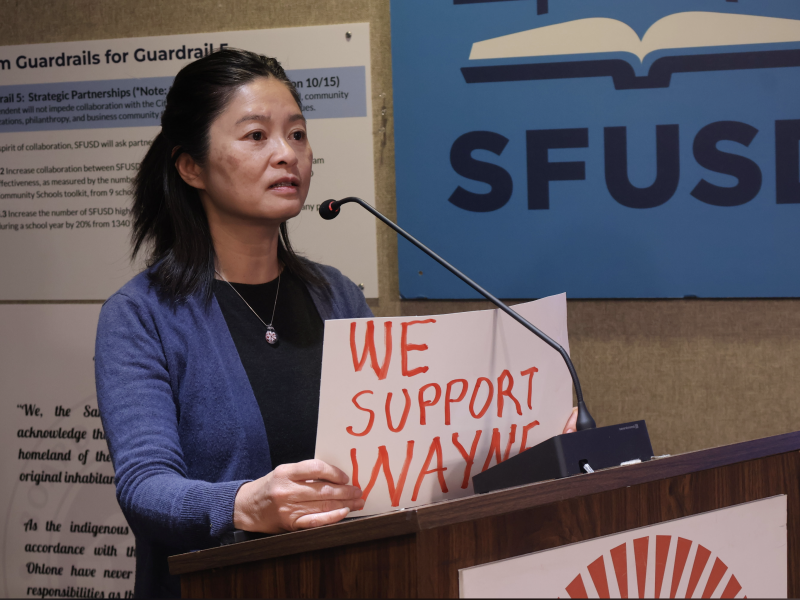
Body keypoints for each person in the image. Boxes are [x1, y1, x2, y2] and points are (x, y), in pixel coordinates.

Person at [95, 48, 580, 599]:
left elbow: (403, 460)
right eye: (257, 136)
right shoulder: (142, 315)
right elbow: (144, 488)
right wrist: (243, 503)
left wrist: (523, 451)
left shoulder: (335, 294)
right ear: (191, 166)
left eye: (297, 134)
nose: (287, 155)